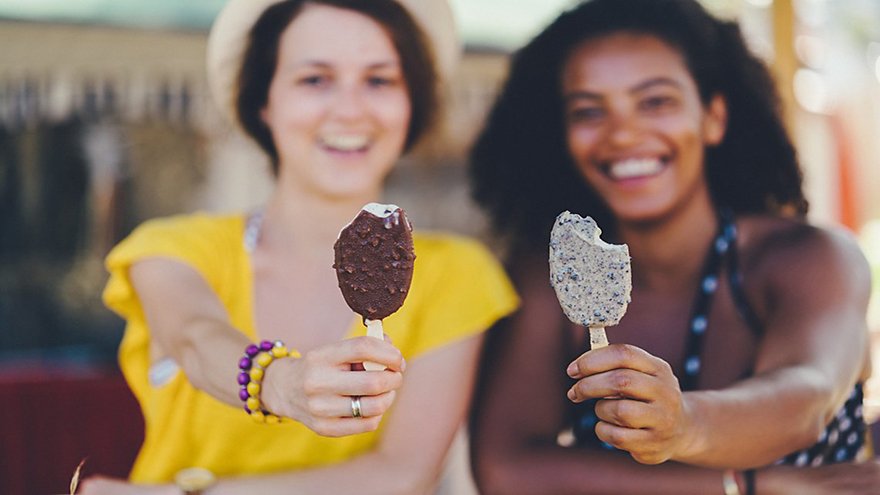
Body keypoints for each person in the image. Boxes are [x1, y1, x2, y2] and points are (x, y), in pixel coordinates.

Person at [79, 1, 518, 494]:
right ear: (263, 101)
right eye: (315, 79)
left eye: (379, 80)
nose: (350, 109)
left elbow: (401, 477)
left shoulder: (457, 275)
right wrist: (279, 383)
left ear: (411, 102)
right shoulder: (173, 250)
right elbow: (196, 340)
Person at [468, 0, 877, 493]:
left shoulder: (809, 258)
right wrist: (751, 486)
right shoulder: (546, 279)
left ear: (714, 117)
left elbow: (805, 400)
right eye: (589, 111)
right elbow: (507, 470)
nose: (623, 133)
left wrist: (684, 423)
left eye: (655, 101)